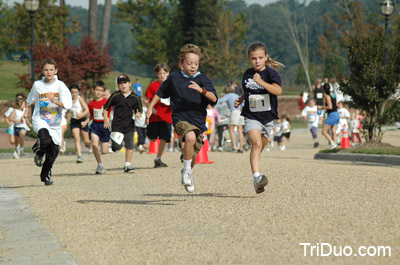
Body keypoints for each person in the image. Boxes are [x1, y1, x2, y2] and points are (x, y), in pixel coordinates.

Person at [146, 43, 218, 193]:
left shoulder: (202, 79)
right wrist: (149, 108)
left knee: (194, 152)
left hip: (198, 120)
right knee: (190, 138)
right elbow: (160, 93)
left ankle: (188, 171)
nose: (193, 66)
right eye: (189, 63)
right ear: (181, 64)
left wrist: (201, 90)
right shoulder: (174, 78)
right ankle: (186, 171)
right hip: (180, 117)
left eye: (196, 63)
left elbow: (214, 98)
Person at [234, 41, 283, 194]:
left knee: (261, 146)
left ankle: (254, 143)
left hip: (267, 117)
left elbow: (278, 91)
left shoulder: (271, 73)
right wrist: (242, 98)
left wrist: (261, 82)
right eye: (254, 58)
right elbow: (248, 90)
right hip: (251, 115)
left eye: (260, 58)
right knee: (256, 144)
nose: (257, 61)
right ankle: (257, 177)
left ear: (266, 57)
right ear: (250, 59)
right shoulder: (247, 73)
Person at [24, 58, 72, 185]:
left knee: (52, 154)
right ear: (42, 71)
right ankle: (39, 151)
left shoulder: (60, 86)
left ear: (56, 71)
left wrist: (56, 101)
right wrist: (25, 112)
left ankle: (45, 176)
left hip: (55, 122)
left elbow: (68, 104)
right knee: (44, 139)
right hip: (40, 119)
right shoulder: (37, 85)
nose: (49, 72)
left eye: (51, 70)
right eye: (46, 70)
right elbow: (29, 100)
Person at [103, 74, 142, 173]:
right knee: (117, 147)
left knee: (129, 145)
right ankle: (114, 146)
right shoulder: (115, 95)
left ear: (129, 84)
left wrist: (138, 113)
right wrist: (106, 119)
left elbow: (139, 109)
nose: (123, 85)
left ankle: (127, 165)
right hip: (117, 125)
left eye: (125, 83)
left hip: (129, 125)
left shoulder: (135, 97)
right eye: (120, 83)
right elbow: (106, 108)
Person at [145, 63, 172, 168]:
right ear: (156, 74)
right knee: (152, 138)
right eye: (160, 73)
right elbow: (146, 99)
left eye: (164, 73)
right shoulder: (153, 86)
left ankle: (158, 158)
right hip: (154, 116)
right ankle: (145, 142)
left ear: (168, 73)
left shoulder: (171, 86)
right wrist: (151, 108)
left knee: (164, 137)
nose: (162, 75)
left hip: (166, 115)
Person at [88, 80, 111, 174]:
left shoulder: (107, 102)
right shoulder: (91, 104)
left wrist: (107, 121)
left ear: (103, 92)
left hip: (105, 126)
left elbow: (109, 113)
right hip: (95, 126)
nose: (98, 92)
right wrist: (86, 121)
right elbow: (90, 115)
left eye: (101, 90)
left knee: (104, 151)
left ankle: (110, 146)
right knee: (94, 144)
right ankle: (100, 164)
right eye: (97, 90)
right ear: (93, 90)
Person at [69, 83, 90, 163]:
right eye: (72, 92)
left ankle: (90, 144)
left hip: (82, 120)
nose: (74, 94)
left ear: (78, 93)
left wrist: (82, 115)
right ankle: (79, 155)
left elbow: (87, 109)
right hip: (74, 121)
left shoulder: (79, 99)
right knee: (76, 137)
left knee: (86, 141)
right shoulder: (68, 100)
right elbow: (66, 109)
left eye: (75, 92)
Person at [220, 85, 244, 153]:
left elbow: (220, 100)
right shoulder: (237, 95)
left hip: (234, 112)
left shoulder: (228, 95)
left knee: (231, 129)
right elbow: (242, 104)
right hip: (240, 112)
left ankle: (234, 147)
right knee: (240, 131)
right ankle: (241, 147)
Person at [320, 83, 340, 149]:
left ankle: (332, 143)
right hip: (337, 113)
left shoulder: (326, 95)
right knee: (333, 131)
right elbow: (336, 104)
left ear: (323, 89)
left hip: (332, 115)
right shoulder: (333, 94)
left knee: (324, 131)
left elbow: (330, 106)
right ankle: (336, 145)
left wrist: (322, 107)